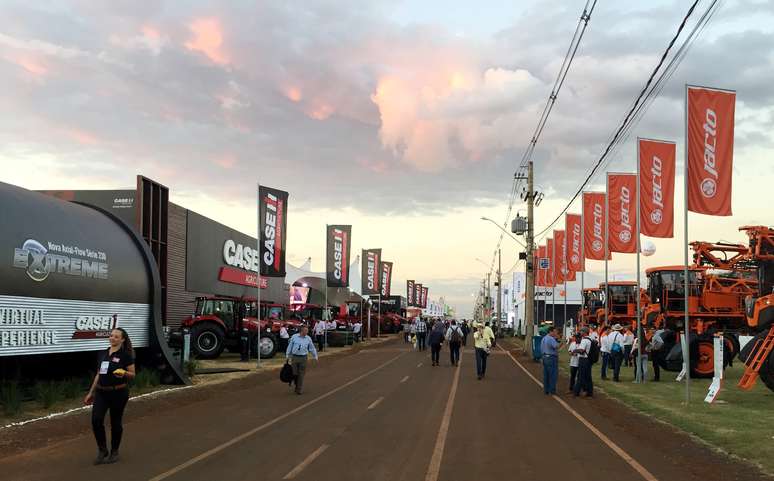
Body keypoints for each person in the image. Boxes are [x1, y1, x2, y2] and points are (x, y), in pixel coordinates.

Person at [84, 328, 136, 465]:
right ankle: (102, 450)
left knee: (115, 422)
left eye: (116, 337)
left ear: (122, 339)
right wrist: (91, 392)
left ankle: (114, 451)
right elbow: (98, 374)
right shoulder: (102, 354)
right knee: (96, 420)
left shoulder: (126, 355)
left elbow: (132, 374)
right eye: (111, 336)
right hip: (101, 392)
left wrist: (124, 373)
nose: (112, 338)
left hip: (119, 393)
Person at [285, 325, 318, 395]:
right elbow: (290, 346)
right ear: (301, 331)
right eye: (305, 330)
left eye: (307, 330)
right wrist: (287, 355)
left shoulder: (308, 338)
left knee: (301, 374)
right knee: (294, 373)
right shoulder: (294, 337)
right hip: (295, 357)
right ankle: (295, 382)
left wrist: (315, 356)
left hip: (303, 358)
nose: (307, 332)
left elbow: (312, 348)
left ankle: (299, 389)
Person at [540, 326, 563, 395]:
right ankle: (552, 390)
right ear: (551, 331)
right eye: (554, 331)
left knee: (546, 375)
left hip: (544, 357)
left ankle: (546, 390)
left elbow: (541, 349)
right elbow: (556, 347)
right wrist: (562, 342)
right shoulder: (551, 339)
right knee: (553, 375)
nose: (555, 333)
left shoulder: (544, 338)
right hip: (551, 358)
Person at [572, 327, 594, 397]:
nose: (580, 333)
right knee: (588, 377)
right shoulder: (590, 339)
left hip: (583, 360)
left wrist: (575, 350)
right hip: (588, 360)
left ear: (584, 332)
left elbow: (581, 350)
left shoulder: (584, 340)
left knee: (580, 376)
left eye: (581, 331)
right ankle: (589, 392)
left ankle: (576, 392)